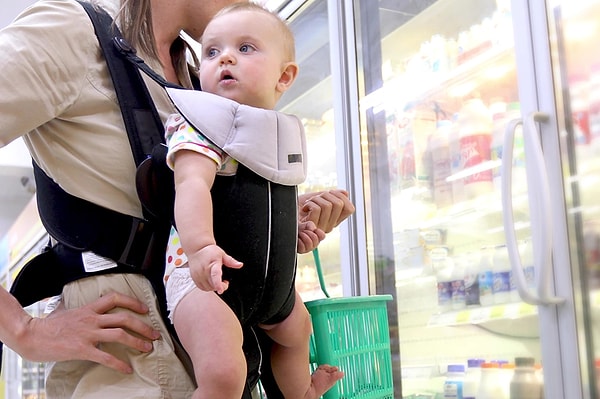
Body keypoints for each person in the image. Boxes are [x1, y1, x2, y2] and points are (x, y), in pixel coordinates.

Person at [0, 0, 355, 398]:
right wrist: (23, 331)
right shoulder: (70, 32)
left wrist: (279, 222)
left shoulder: (194, 73)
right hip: (132, 373)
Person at [163, 3, 344, 399]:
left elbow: (261, 209)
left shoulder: (278, 136)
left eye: (245, 48)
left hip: (268, 282)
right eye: (211, 52)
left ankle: (302, 393)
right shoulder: (202, 126)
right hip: (205, 278)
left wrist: (294, 231)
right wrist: (200, 247)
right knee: (226, 373)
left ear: (284, 76)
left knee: (298, 332)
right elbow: (191, 185)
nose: (225, 57)